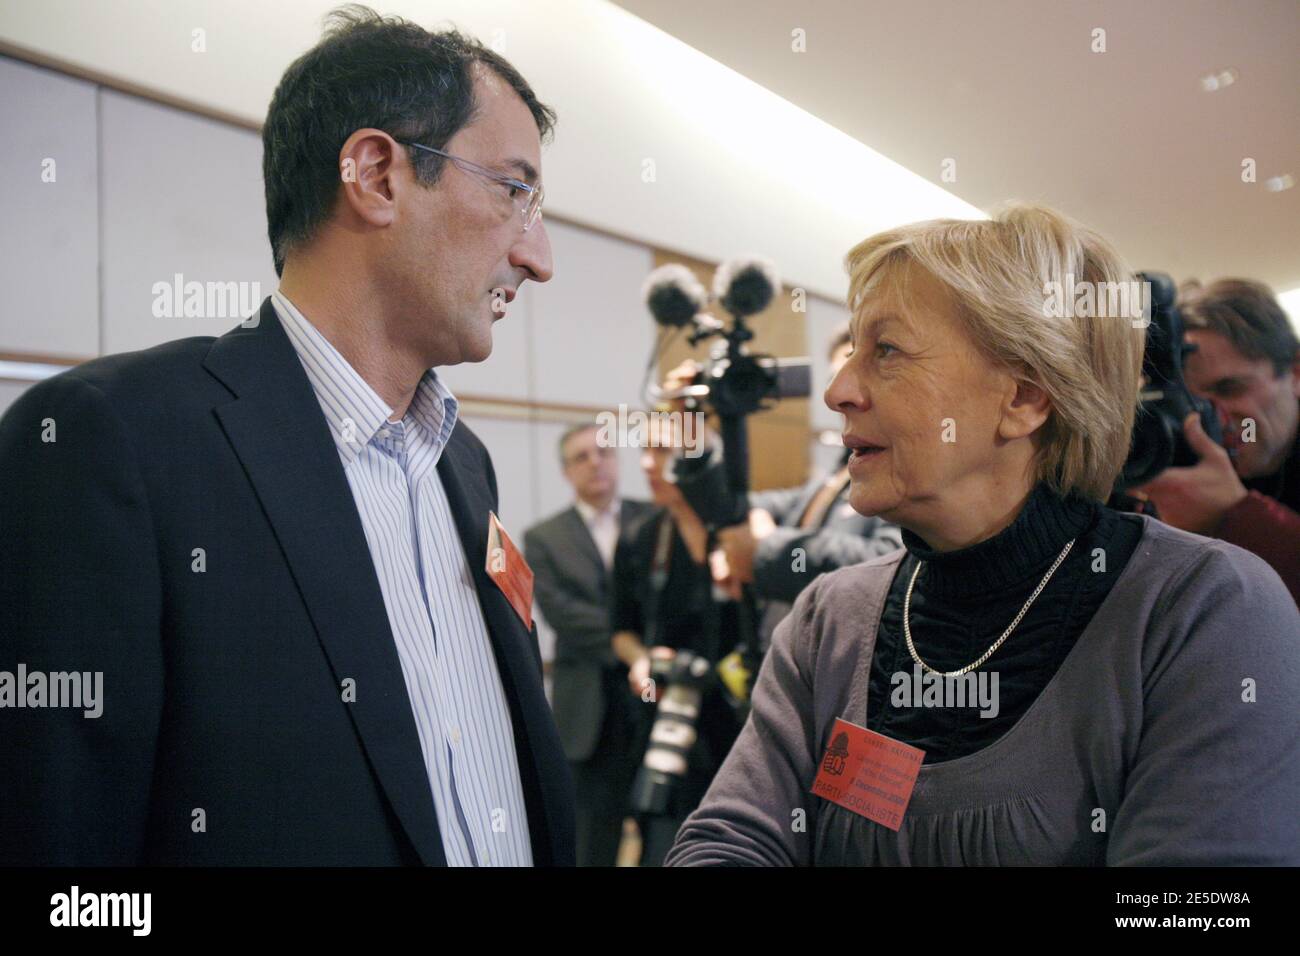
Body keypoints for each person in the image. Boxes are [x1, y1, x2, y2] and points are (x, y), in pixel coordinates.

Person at [0, 7, 573, 866]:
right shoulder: (113, 443)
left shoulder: (466, 462)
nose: (540, 257)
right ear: (376, 174)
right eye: (515, 191)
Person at [665, 204, 1300, 866]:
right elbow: (729, 841)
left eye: (885, 350)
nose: (838, 389)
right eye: (852, 350)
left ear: (1025, 398)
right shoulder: (828, 619)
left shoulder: (1206, 610)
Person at [669, 324, 903, 647]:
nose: (837, 397)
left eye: (860, 375)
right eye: (835, 379)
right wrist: (691, 429)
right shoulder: (839, 469)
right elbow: (735, 507)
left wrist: (764, 550)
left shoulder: (907, 466)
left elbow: (889, 568)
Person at [609, 412, 743, 866]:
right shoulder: (641, 536)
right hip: (667, 714)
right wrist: (642, 661)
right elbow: (621, 629)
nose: (648, 464)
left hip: (738, 715)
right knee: (663, 841)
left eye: (663, 450)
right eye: (645, 450)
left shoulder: (739, 529)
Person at [524, 423, 655, 867]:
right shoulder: (544, 538)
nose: (595, 462)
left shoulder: (655, 520)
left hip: (654, 704)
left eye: (603, 452)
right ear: (566, 472)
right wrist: (632, 645)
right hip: (589, 713)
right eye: (581, 457)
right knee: (591, 847)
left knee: (666, 836)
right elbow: (564, 616)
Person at [1134, 278, 1300, 603]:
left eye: (1229, 389)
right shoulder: (1170, 457)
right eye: (1191, 401)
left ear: (1295, 373)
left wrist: (1235, 515)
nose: (1206, 416)